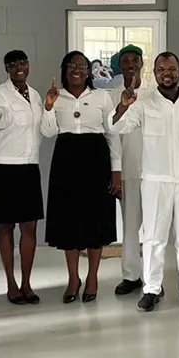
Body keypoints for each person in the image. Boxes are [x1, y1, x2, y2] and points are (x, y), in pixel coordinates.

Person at [110, 51, 179, 314]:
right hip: (155, 181)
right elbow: (117, 127)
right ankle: (151, 289)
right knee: (153, 239)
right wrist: (123, 106)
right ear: (154, 74)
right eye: (162, 69)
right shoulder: (143, 104)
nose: (168, 73)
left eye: (172, 69)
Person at [41, 51, 122, 303]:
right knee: (69, 221)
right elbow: (47, 132)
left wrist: (116, 170)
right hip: (66, 160)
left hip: (96, 160)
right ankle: (73, 278)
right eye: (72, 65)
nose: (77, 69)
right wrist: (48, 107)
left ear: (89, 71)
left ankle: (93, 277)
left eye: (82, 66)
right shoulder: (57, 96)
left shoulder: (101, 96)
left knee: (95, 220)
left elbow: (112, 134)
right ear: (64, 69)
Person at [0, 50, 43, 305]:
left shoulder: (35, 95)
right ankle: (11, 283)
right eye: (13, 64)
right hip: (3, 167)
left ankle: (27, 283)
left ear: (28, 65)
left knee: (30, 227)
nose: (19, 67)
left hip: (29, 167)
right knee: (7, 226)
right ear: (6, 68)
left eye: (23, 62)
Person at [109, 45, 155, 296]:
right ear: (119, 65)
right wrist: (115, 170)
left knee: (152, 227)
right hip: (127, 168)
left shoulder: (153, 92)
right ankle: (131, 275)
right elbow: (112, 135)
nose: (130, 64)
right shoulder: (112, 94)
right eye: (125, 60)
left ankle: (151, 277)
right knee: (130, 226)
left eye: (135, 60)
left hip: (154, 169)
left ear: (141, 63)